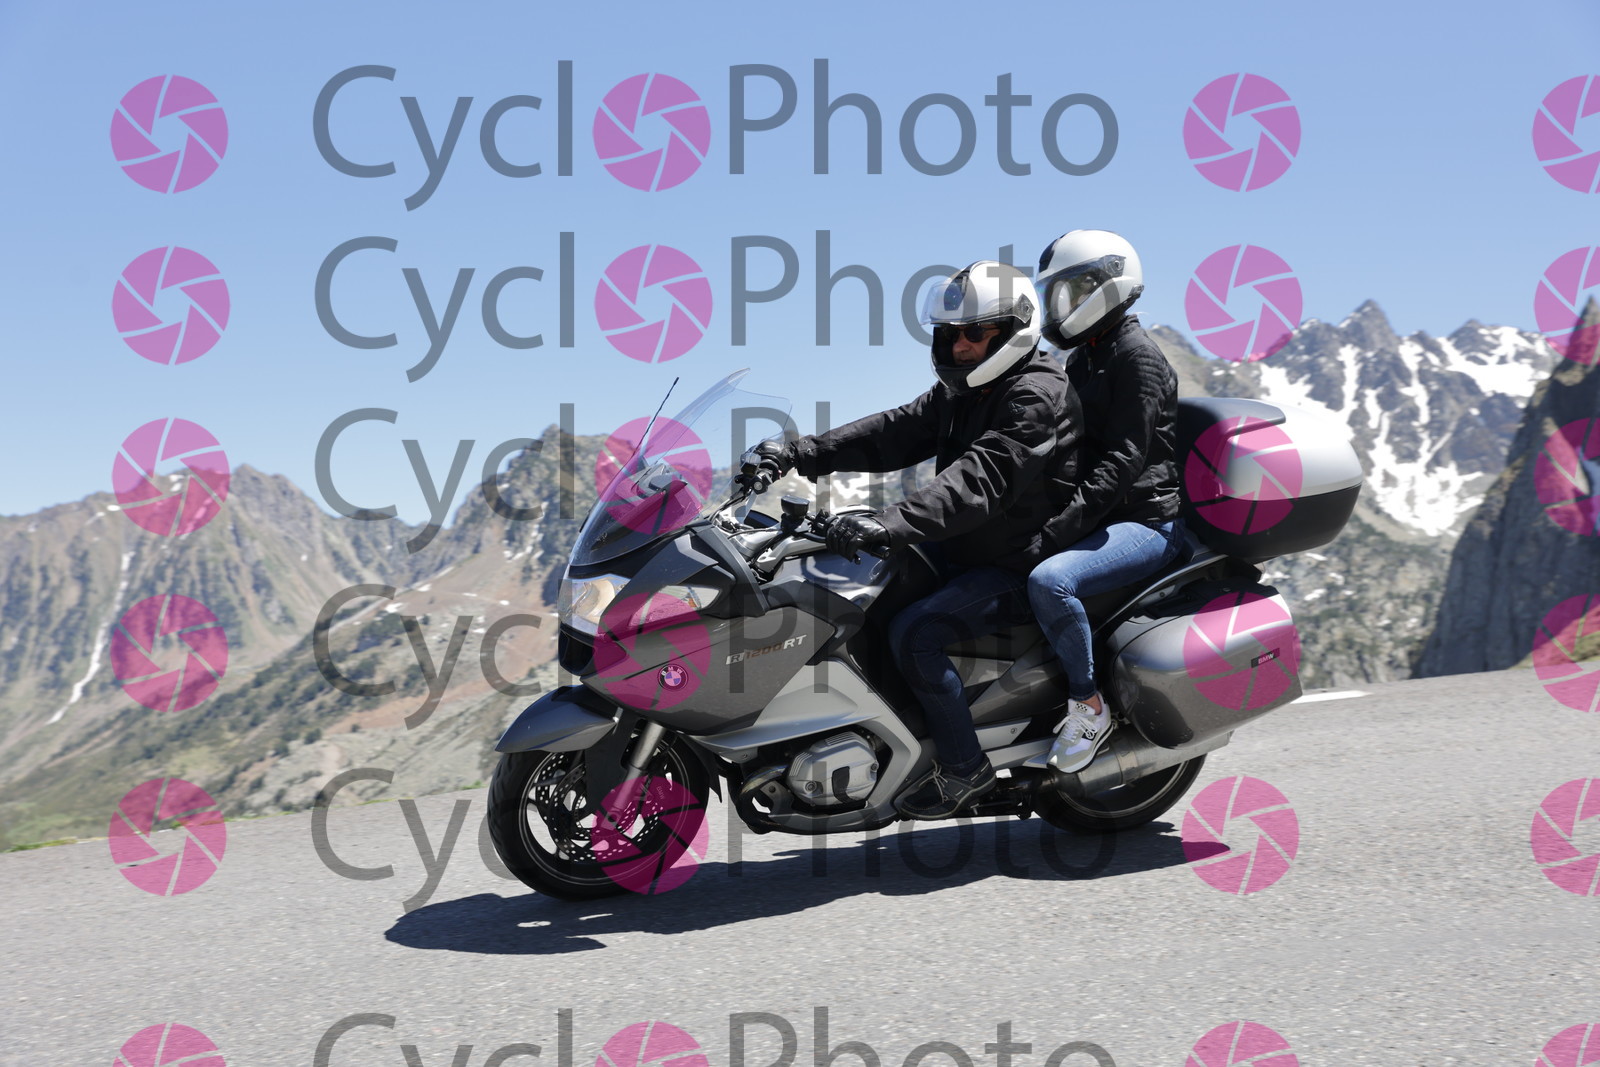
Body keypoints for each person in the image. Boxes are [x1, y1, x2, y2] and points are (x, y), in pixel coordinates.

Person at [744, 261, 1080, 819]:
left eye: (975, 333)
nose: (960, 345)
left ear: (1013, 329)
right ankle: (890, 737)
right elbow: (894, 430)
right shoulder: (965, 390)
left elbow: (979, 481)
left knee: (917, 633)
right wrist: (801, 452)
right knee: (855, 595)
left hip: (1017, 562)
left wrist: (889, 523)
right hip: (966, 547)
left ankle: (965, 767)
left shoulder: (1035, 396)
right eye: (950, 333)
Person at [1027, 230, 1186, 773]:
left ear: (1106, 286)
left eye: (1069, 292)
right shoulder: (1088, 356)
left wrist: (1060, 528)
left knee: (1050, 581)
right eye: (1053, 295)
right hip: (1106, 515)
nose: (1060, 306)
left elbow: (1123, 461)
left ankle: (1088, 707)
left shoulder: (1138, 359)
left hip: (1146, 522)